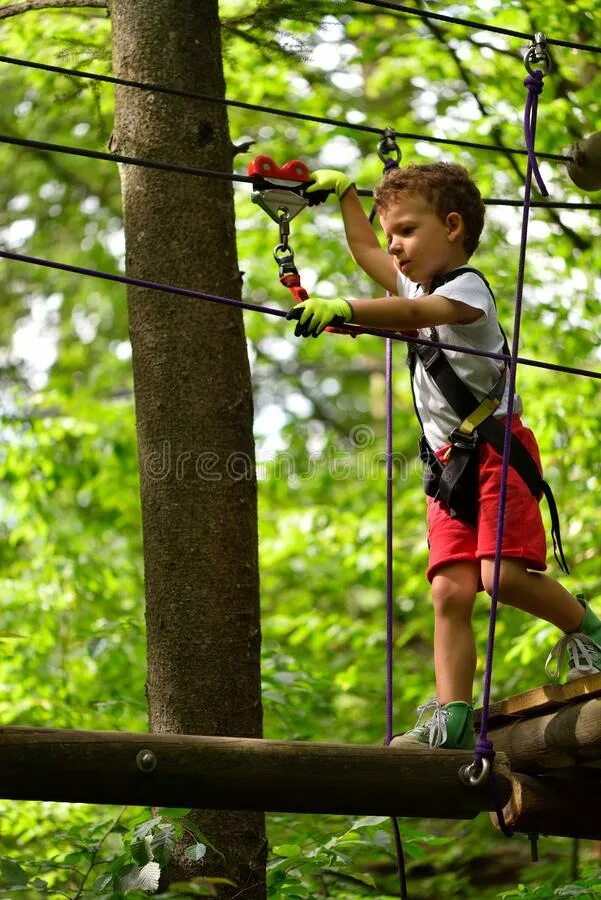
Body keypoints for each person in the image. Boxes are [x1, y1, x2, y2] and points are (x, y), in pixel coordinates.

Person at [286, 162, 601, 750]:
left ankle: (588, 628)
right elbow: (364, 252)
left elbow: (410, 315)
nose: (394, 247)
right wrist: (348, 197)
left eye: (405, 230)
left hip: (494, 452)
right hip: (448, 466)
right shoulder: (416, 283)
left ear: (452, 226)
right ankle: (452, 717)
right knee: (449, 591)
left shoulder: (466, 290)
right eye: (391, 234)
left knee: (500, 577)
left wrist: (346, 309)